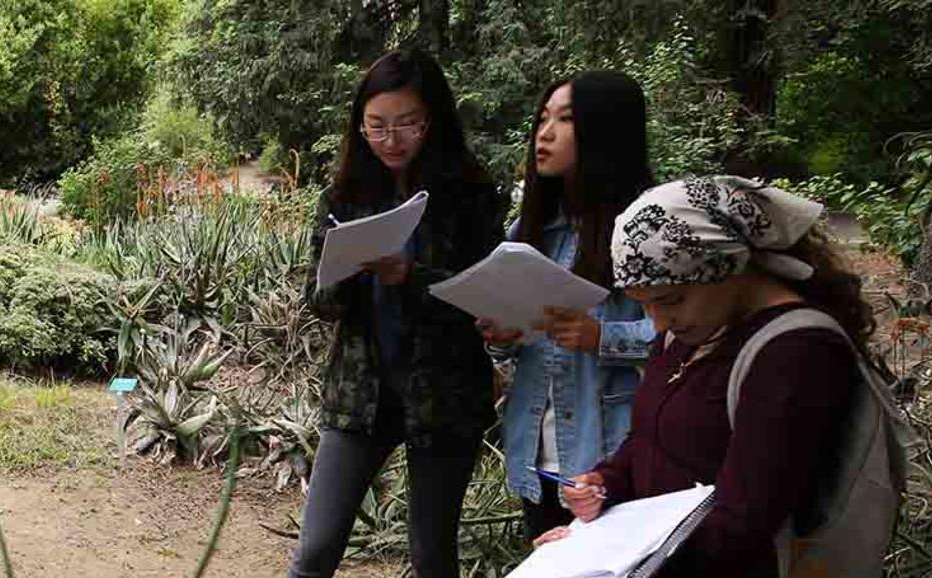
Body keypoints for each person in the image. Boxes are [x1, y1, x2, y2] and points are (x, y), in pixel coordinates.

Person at [543, 176, 877, 576]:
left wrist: (608, 564)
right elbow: (650, 437)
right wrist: (606, 484)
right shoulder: (695, 328)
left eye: (670, 301)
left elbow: (743, 526)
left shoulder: (795, 353)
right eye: (644, 305)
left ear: (726, 268)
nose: (659, 322)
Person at [285, 48, 507, 578]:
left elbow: (488, 293)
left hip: (445, 394)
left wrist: (409, 277)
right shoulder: (344, 195)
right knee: (316, 549)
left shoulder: (471, 196)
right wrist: (347, 272)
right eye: (375, 127)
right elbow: (318, 302)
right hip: (361, 391)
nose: (391, 140)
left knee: (432, 555)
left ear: (433, 120)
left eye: (406, 124)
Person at [479, 70, 657, 543]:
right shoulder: (530, 228)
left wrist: (602, 337)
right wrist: (502, 336)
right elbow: (514, 344)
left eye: (565, 120)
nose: (545, 132)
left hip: (608, 456)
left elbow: (684, 338)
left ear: (606, 131)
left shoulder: (644, 232)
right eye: (541, 119)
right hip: (535, 454)